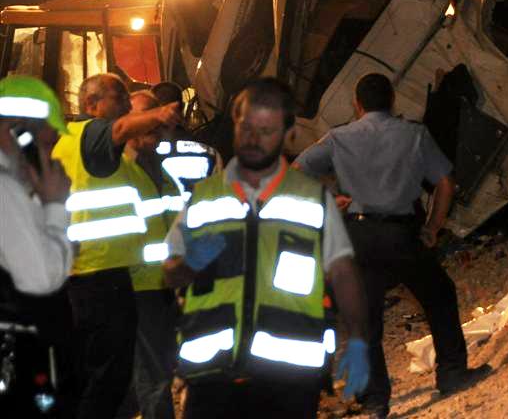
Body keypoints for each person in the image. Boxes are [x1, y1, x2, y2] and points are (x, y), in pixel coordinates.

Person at [161, 78, 369, 419]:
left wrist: (359, 341)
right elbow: (169, 274)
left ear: (288, 134)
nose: (254, 139)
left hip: (289, 377)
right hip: (212, 373)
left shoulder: (313, 200)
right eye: (246, 127)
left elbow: (343, 273)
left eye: (266, 130)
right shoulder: (204, 197)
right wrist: (190, 262)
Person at [293, 73, 488, 418]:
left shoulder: (339, 137)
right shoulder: (414, 134)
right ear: (392, 100)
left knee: (364, 320)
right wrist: (432, 227)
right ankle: (452, 373)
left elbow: (295, 172)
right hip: (403, 235)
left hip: (358, 238)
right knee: (439, 296)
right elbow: (446, 183)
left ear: (357, 103)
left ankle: (375, 400)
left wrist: (327, 199)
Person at [51, 73, 181, 419]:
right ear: (92, 105)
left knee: (105, 377)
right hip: (107, 277)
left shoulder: (73, 145)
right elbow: (120, 130)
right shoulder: (94, 137)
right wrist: (159, 115)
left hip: (101, 277)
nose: (125, 107)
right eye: (118, 98)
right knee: (114, 378)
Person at [0, 75, 74, 417]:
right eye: (47, 143)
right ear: (19, 133)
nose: (50, 154)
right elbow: (40, 279)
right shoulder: (4, 191)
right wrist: (55, 205)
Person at [120, 91, 184, 419]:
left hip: (161, 288)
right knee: (155, 377)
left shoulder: (164, 174)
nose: (157, 124)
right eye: (148, 116)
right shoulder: (117, 172)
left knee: (145, 376)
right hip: (132, 288)